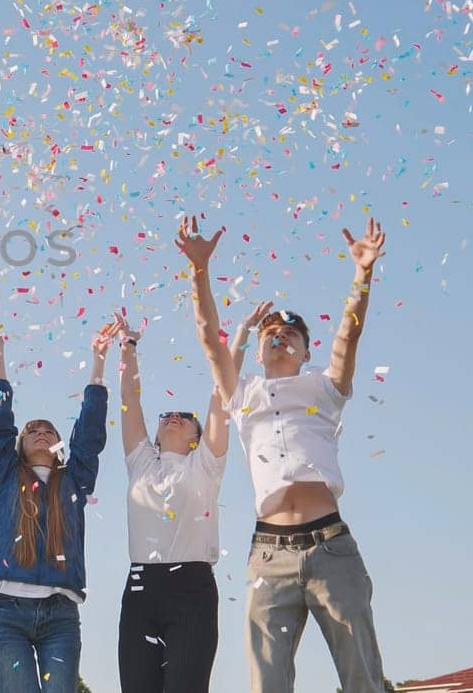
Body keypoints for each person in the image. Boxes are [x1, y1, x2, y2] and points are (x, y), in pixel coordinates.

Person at [177, 216, 388, 693]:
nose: (279, 334)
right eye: (271, 330)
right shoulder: (242, 392)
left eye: (291, 333)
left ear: (304, 350)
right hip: (269, 555)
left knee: (363, 679)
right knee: (267, 684)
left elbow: (347, 338)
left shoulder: (325, 387)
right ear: (258, 349)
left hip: (331, 549)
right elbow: (210, 338)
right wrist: (199, 271)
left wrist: (363, 274)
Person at [0, 328, 108, 693]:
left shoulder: (75, 480)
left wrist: (98, 361)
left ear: (59, 446)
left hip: (61, 614)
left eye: (49, 430)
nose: (40, 432)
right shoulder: (7, 474)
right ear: (19, 444)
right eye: (32, 430)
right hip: (8, 611)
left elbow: (90, 431)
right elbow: (1, 421)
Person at [107, 312, 227, 693]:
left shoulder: (205, 465)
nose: (174, 416)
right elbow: (129, 398)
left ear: (197, 437)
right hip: (141, 587)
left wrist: (223, 349)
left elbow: (221, 399)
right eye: (168, 415)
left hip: (192, 588)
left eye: (185, 417)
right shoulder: (141, 461)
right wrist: (128, 345)